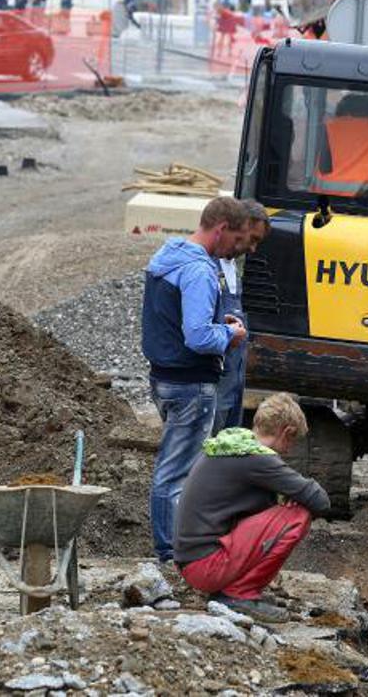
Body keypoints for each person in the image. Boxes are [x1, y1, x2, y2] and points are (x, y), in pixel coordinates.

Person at [142, 196, 249, 566]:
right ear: (220, 229)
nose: (235, 250)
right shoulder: (200, 271)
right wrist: (230, 335)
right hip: (191, 384)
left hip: (164, 378)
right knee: (175, 474)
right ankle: (172, 555)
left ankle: (173, 549)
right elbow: (199, 335)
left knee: (174, 467)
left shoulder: (166, 258)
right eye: (236, 241)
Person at [175, 392, 329, 622]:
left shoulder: (232, 445)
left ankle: (235, 590)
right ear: (286, 432)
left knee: (283, 510)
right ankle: (238, 595)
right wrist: (295, 498)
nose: (288, 451)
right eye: (292, 442)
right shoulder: (257, 459)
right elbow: (320, 501)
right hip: (206, 567)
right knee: (298, 515)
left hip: (194, 562)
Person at [214, 201, 271, 434]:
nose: (253, 248)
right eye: (253, 239)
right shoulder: (206, 267)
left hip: (233, 381)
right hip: (215, 383)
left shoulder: (232, 268)